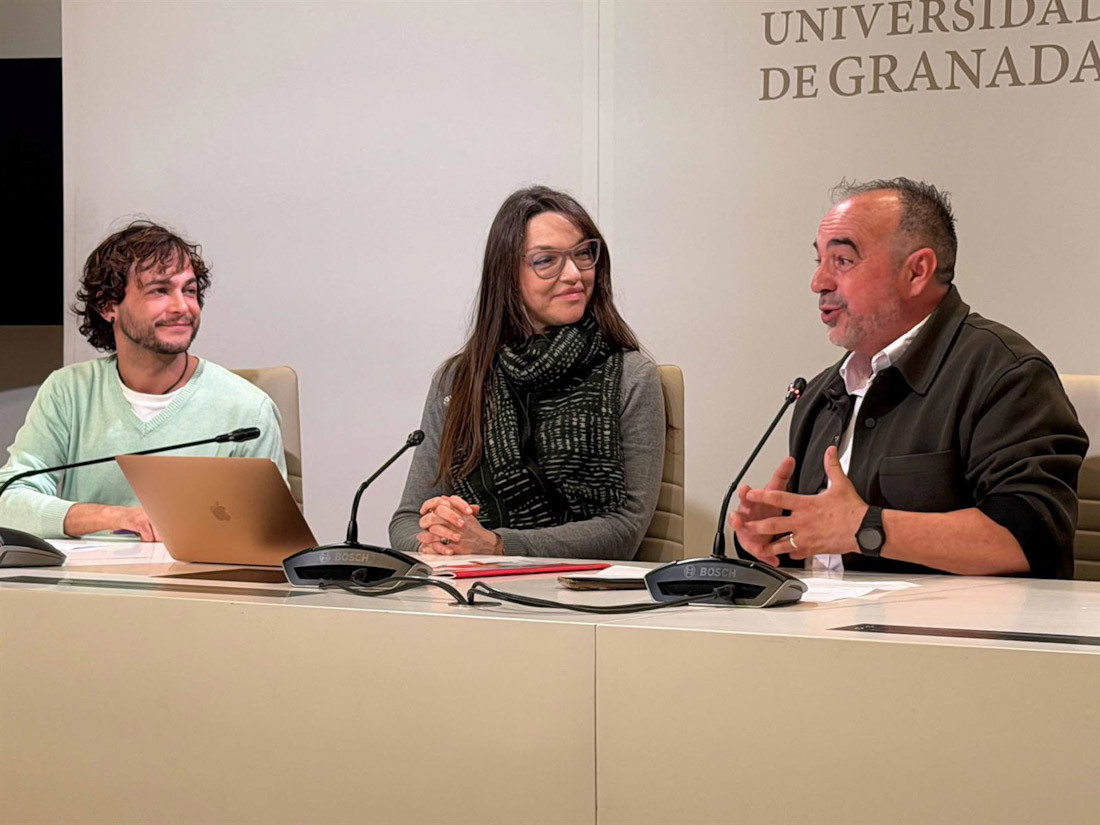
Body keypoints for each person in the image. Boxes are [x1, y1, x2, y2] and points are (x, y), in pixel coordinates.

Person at [731, 178, 1087, 578]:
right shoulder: (821, 393)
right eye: (819, 262)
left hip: (947, 637)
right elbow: (827, 551)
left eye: (843, 261)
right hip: (820, 632)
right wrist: (774, 536)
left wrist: (866, 528)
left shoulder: (1006, 374)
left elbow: (1030, 540)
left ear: (916, 272)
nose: (819, 283)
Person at [389, 186, 665, 559]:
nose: (574, 274)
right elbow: (408, 519)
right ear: (507, 274)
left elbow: (625, 528)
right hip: (470, 596)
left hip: (580, 601)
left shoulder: (631, 376)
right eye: (546, 260)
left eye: (584, 253)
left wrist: (498, 546)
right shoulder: (459, 380)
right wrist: (441, 536)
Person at [0, 220, 286, 540]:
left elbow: (271, 537)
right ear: (109, 305)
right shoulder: (68, 392)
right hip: (87, 587)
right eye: (160, 291)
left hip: (194, 586)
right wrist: (111, 516)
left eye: (189, 290)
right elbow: (7, 500)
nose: (182, 307)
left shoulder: (248, 410)